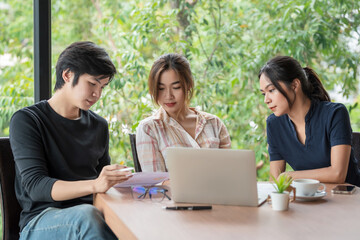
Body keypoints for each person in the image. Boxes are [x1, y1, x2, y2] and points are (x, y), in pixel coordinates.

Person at [9, 41, 132, 239]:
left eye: (103, 87)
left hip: (91, 217)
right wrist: (94, 184)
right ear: (67, 75)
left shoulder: (99, 125)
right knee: (87, 217)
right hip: (41, 221)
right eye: (92, 83)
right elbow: (37, 187)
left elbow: (102, 184)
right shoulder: (28, 120)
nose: (97, 94)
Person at [259, 55, 360, 186]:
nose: (266, 100)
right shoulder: (274, 124)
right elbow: (275, 180)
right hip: (310, 198)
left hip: (349, 199)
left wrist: (289, 176)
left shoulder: (335, 113)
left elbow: (338, 174)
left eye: (271, 90)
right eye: (263, 93)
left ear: (295, 85)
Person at [136, 53, 231, 172]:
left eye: (176, 87)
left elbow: (228, 172)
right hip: (173, 192)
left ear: (189, 85)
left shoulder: (214, 124)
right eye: (161, 89)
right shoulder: (149, 128)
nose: (168, 96)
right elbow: (156, 183)